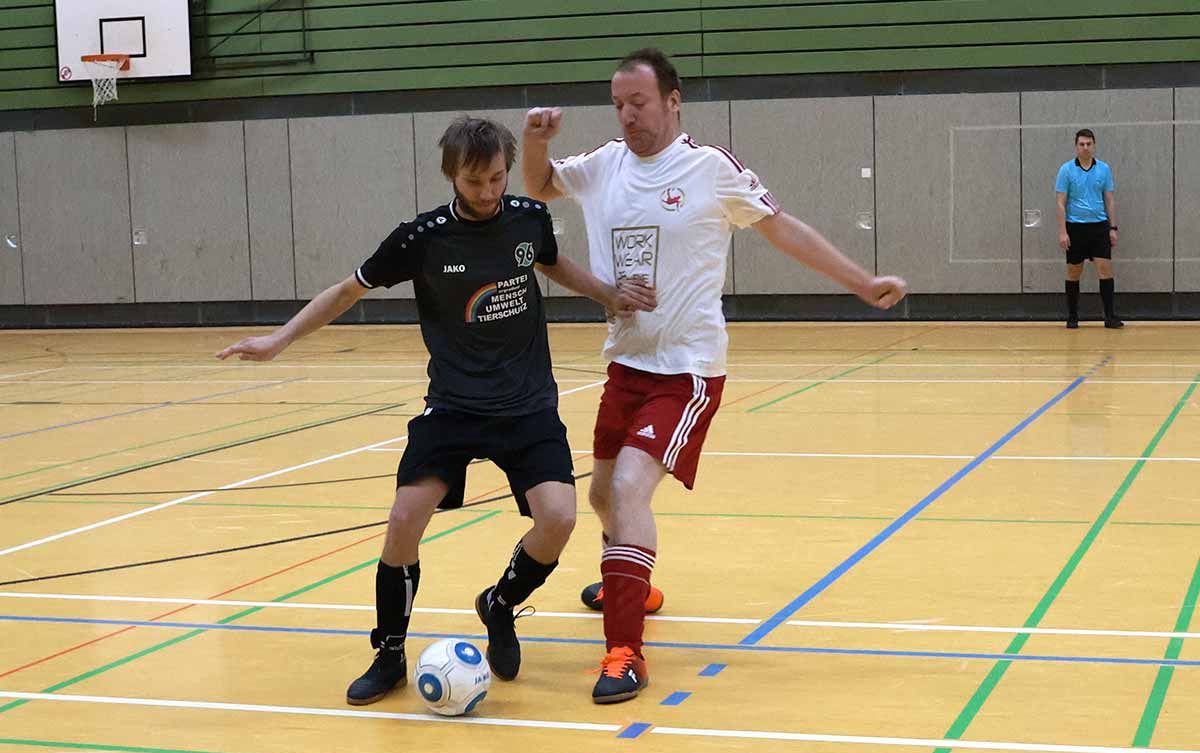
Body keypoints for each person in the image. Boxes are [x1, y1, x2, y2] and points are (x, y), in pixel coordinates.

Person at [217, 116, 656, 706]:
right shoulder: (420, 238)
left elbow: (552, 262)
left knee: (558, 519)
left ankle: (499, 604)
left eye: (497, 178)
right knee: (404, 520)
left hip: (527, 405)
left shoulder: (528, 218)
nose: (489, 191)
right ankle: (389, 654)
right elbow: (347, 291)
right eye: (475, 181)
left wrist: (609, 294)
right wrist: (279, 339)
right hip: (452, 407)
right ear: (451, 174)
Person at [522, 48, 907, 704]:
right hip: (626, 363)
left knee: (630, 490)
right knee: (603, 496)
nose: (628, 115)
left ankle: (624, 652)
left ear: (672, 101)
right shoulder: (603, 165)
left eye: (639, 103)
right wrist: (535, 141)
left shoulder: (709, 169)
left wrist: (861, 282)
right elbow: (539, 185)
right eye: (618, 105)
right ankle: (633, 582)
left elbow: (784, 229)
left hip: (688, 370)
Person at [1055, 128, 1122, 329]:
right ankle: (1072, 316)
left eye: (1089, 144)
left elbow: (1109, 200)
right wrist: (1063, 232)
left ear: (1094, 145)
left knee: (1105, 269)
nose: (1085, 147)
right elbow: (1060, 202)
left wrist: (1112, 228)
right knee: (1074, 272)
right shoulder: (1066, 170)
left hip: (1099, 227)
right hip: (1075, 228)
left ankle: (1109, 317)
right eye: (1081, 144)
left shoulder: (1104, 169)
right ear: (1076, 146)